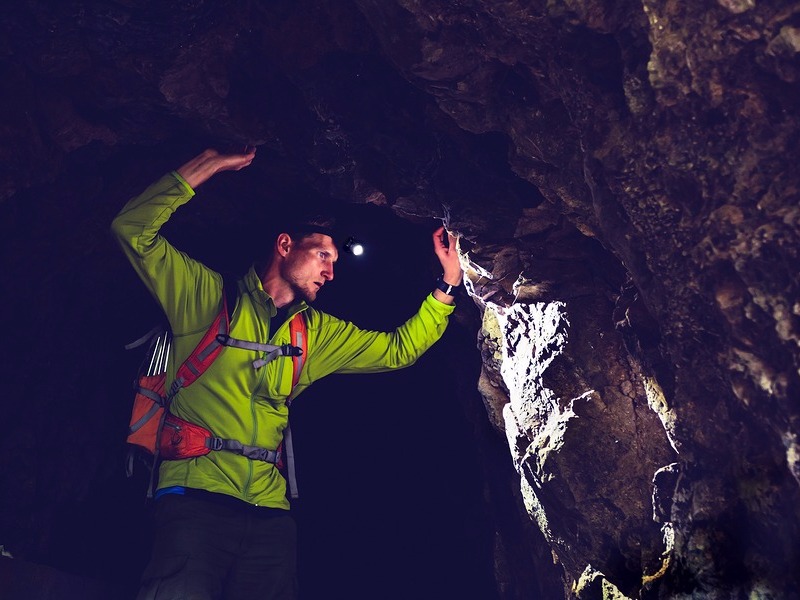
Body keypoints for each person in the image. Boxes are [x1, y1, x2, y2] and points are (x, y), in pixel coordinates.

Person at [111, 146, 463, 600]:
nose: (331, 272)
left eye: (334, 261)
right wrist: (211, 163)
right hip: (194, 503)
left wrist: (448, 283)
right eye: (323, 256)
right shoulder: (205, 299)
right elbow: (132, 229)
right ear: (284, 246)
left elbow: (399, 349)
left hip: (270, 517)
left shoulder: (313, 334)